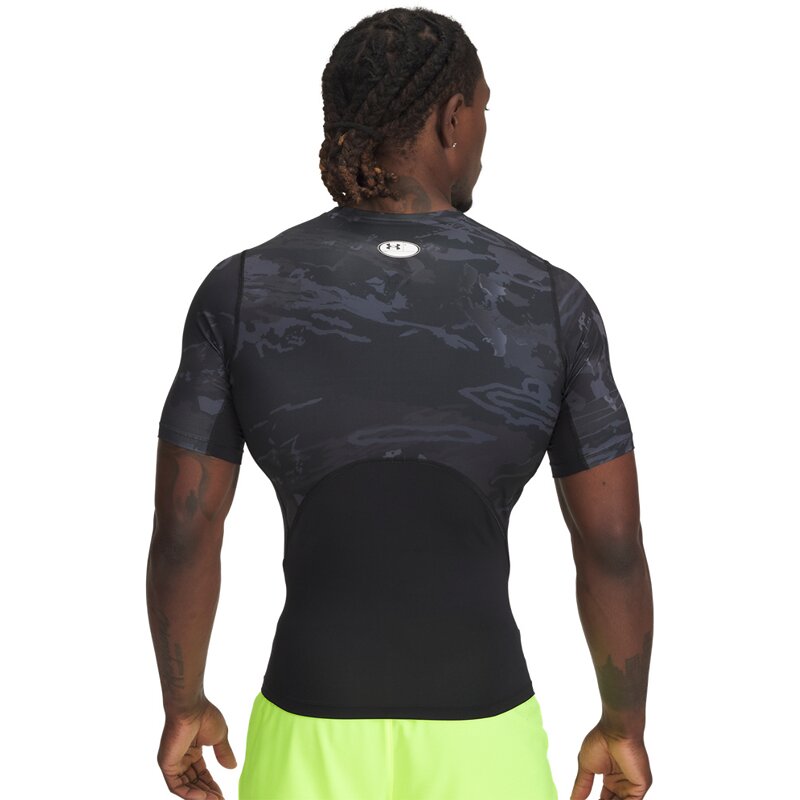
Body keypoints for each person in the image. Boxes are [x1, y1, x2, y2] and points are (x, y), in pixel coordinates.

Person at [146, 7, 653, 800]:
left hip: (308, 723)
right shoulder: (549, 302)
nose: (484, 133)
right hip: (487, 735)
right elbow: (611, 543)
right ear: (452, 119)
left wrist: (184, 705)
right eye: (483, 109)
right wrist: (623, 725)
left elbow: (185, 529)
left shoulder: (243, 292)